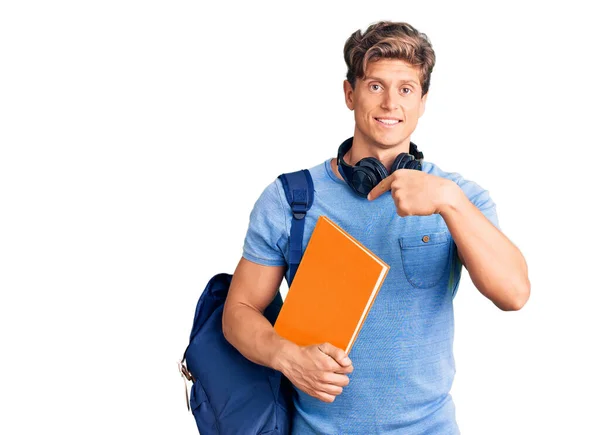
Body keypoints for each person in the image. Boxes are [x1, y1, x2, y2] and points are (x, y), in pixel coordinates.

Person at [222, 20, 530, 434]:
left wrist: (449, 203)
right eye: (375, 86)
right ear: (350, 94)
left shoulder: (461, 197)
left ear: (423, 101)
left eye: (406, 89)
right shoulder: (291, 199)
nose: (390, 104)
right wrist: (286, 356)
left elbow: (514, 294)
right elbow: (238, 312)